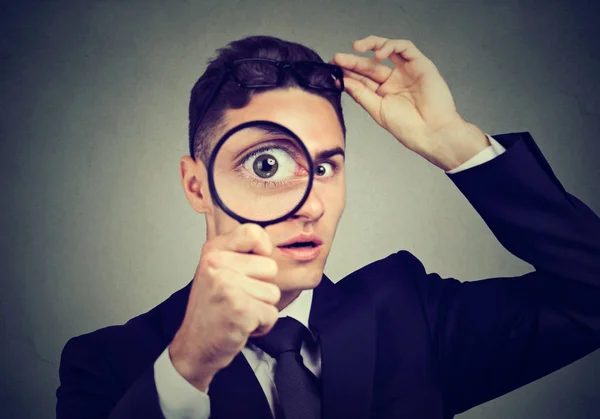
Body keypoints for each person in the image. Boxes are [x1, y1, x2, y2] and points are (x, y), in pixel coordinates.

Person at [55, 34, 600, 419]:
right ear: (198, 186)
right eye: (267, 165)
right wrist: (188, 366)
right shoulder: (110, 365)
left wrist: (456, 144)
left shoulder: (410, 316)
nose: (310, 203)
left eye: (323, 167)